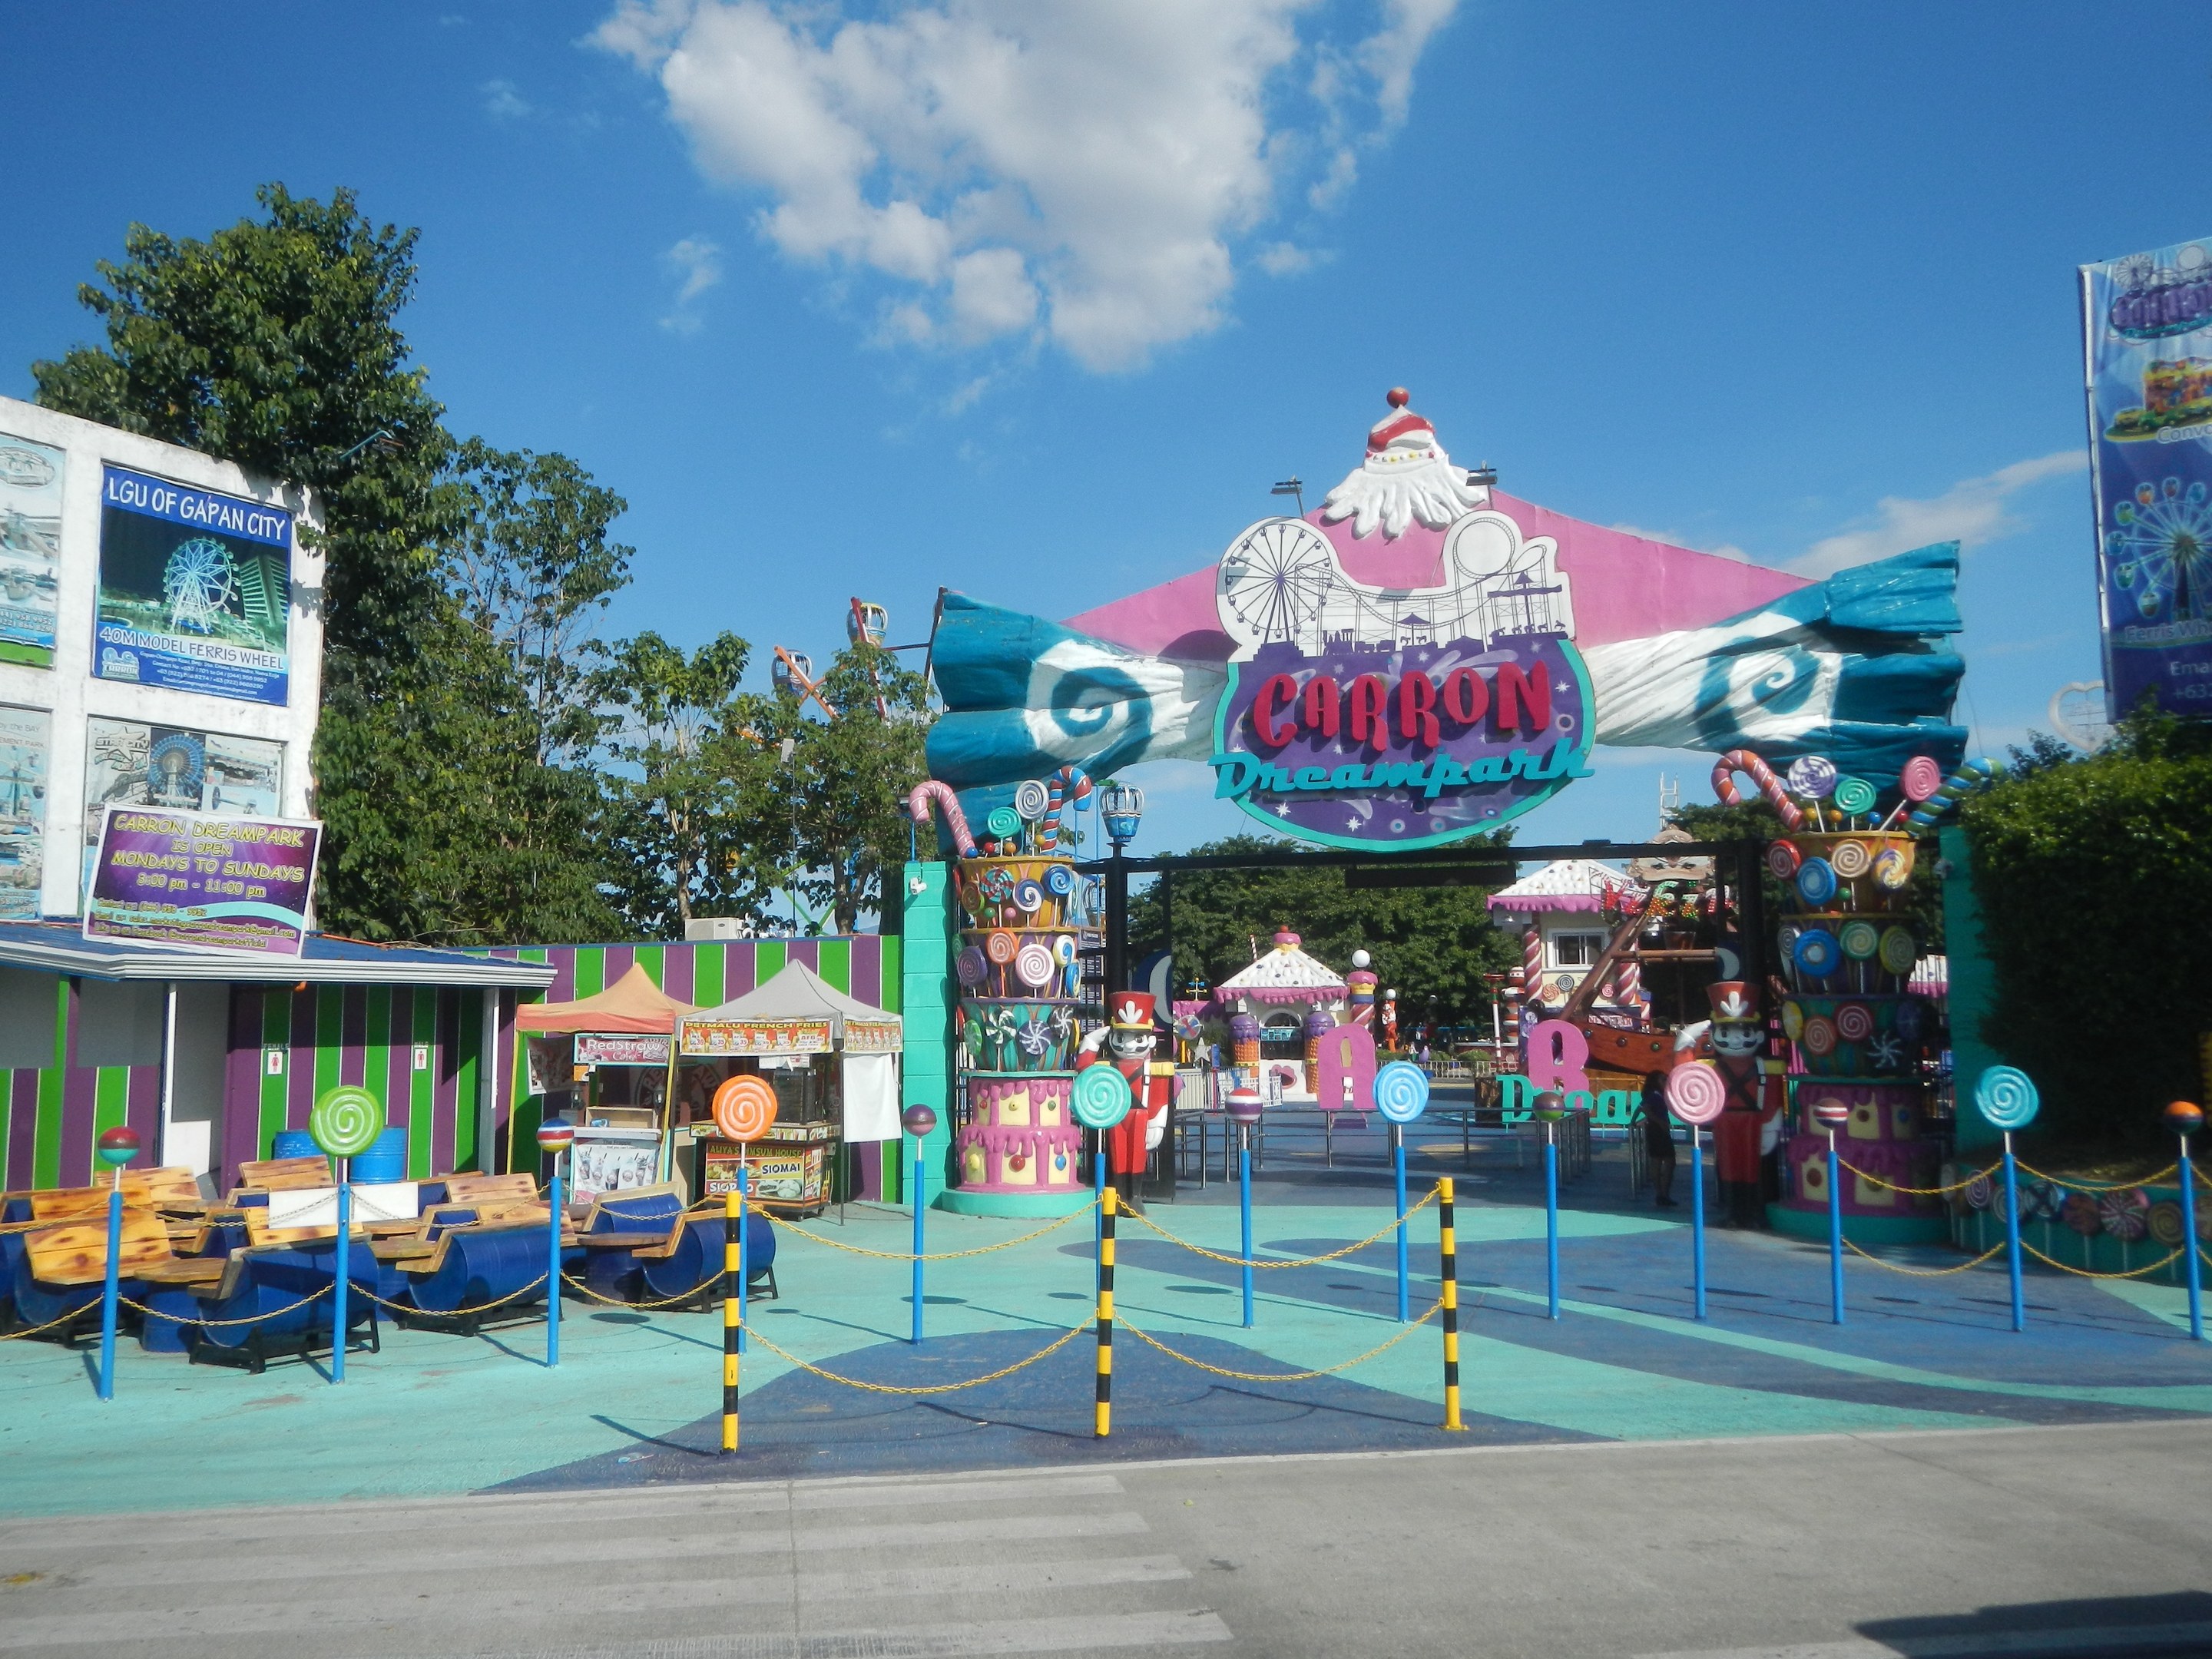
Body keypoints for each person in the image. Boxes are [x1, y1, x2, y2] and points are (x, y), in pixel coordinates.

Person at [1640, 1071, 1677, 1207]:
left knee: (1659, 1161)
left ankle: (1662, 1194)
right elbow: (1645, 1109)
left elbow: (1643, 1108)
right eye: (1663, 1079)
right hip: (1657, 1130)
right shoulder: (1655, 1095)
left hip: (1656, 1129)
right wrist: (1659, 1122)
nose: (1665, 1082)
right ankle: (1662, 1194)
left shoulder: (1658, 1095)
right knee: (1666, 1160)